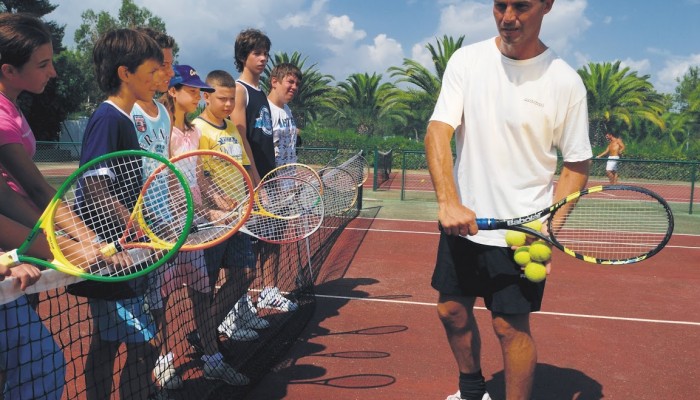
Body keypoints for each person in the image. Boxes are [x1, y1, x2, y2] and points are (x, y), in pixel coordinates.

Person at [424, 1, 592, 399]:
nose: (508, 16)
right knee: (451, 311)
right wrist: (449, 201)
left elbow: (577, 165)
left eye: (521, 5)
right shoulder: (467, 61)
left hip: (522, 234)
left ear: (547, 5)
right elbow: (437, 131)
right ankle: (471, 391)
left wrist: (548, 229)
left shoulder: (565, 82)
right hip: (462, 223)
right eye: (500, 4)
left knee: (509, 327)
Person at [0, 13, 105, 399]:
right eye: (43, 64)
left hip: (19, 248)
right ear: (9, 70)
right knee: (39, 366)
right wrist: (65, 246)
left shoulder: (11, 106)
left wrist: (79, 240)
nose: (55, 72)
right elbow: (29, 189)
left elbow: (18, 194)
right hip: (15, 248)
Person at [78, 28, 164, 400]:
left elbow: (126, 192)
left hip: (128, 252)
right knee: (135, 345)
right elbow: (94, 190)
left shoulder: (125, 119)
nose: (158, 80)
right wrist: (139, 231)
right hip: (111, 254)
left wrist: (153, 227)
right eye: (150, 72)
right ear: (125, 73)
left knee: (116, 343)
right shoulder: (108, 118)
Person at [159, 64, 249, 386]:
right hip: (166, 229)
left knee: (200, 292)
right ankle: (162, 362)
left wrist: (216, 207)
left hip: (192, 225)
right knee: (162, 300)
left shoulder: (193, 132)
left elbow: (197, 178)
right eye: (193, 91)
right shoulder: (162, 132)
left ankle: (212, 359)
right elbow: (166, 183)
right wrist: (206, 212)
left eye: (200, 91)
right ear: (173, 91)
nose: (199, 97)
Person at [192, 69, 269, 342]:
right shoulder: (198, 129)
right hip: (212, 222)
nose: (228, 105)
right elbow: (198, 174)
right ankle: (207, 337)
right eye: (222, 99)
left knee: (245, 273)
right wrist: (217, 203)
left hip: (239, 217)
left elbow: (244, 166)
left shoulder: (232, 128)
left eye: (231, 100)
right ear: (206, 97)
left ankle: (206, 332)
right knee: (207, 283)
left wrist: (255, 196)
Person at [232, 28, 294, 317]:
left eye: (265, 53)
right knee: (241, 250)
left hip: (268, 179)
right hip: (249, 182)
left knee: (267, 240)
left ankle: (254, 300)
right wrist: (255, 180)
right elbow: (241, 138)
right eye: (257, 52)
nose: (263, 58)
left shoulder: (260, 94)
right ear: (244, 55)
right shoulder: (239, 89)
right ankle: (234, 309)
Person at [255, 62, 305, 312]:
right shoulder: (264, 111)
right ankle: (238, 301)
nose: (294, 87)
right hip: (266, 190)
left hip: (286, 188)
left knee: (275, 241)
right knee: (253, 246)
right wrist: (262, 188)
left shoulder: (287, 111)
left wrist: (293, 182)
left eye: (297, 83)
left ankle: (269, 290)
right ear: (274, 81)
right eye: (290, 81)